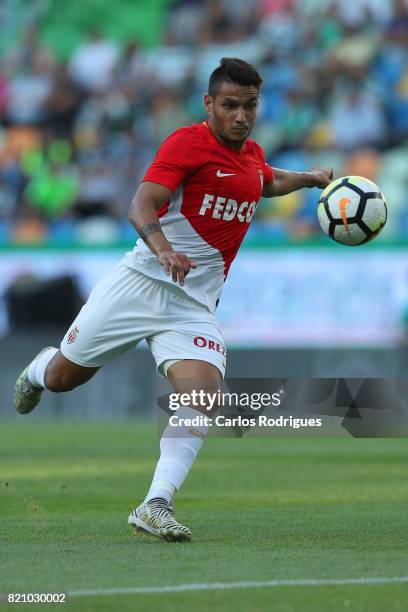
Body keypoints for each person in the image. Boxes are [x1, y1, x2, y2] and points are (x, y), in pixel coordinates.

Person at [13, 57, 333, 542]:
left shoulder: (251, 155)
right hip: (141, 283)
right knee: (63, 378)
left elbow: (266, 181)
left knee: (203, 394)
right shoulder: (187, 143)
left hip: (192, 305)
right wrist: (164, 249)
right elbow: (140, 202)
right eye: (230, 105)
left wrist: (307, 178)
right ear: (209, 104)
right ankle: (38, 369)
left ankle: (155, 502)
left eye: (250, 105)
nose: (241, 116)